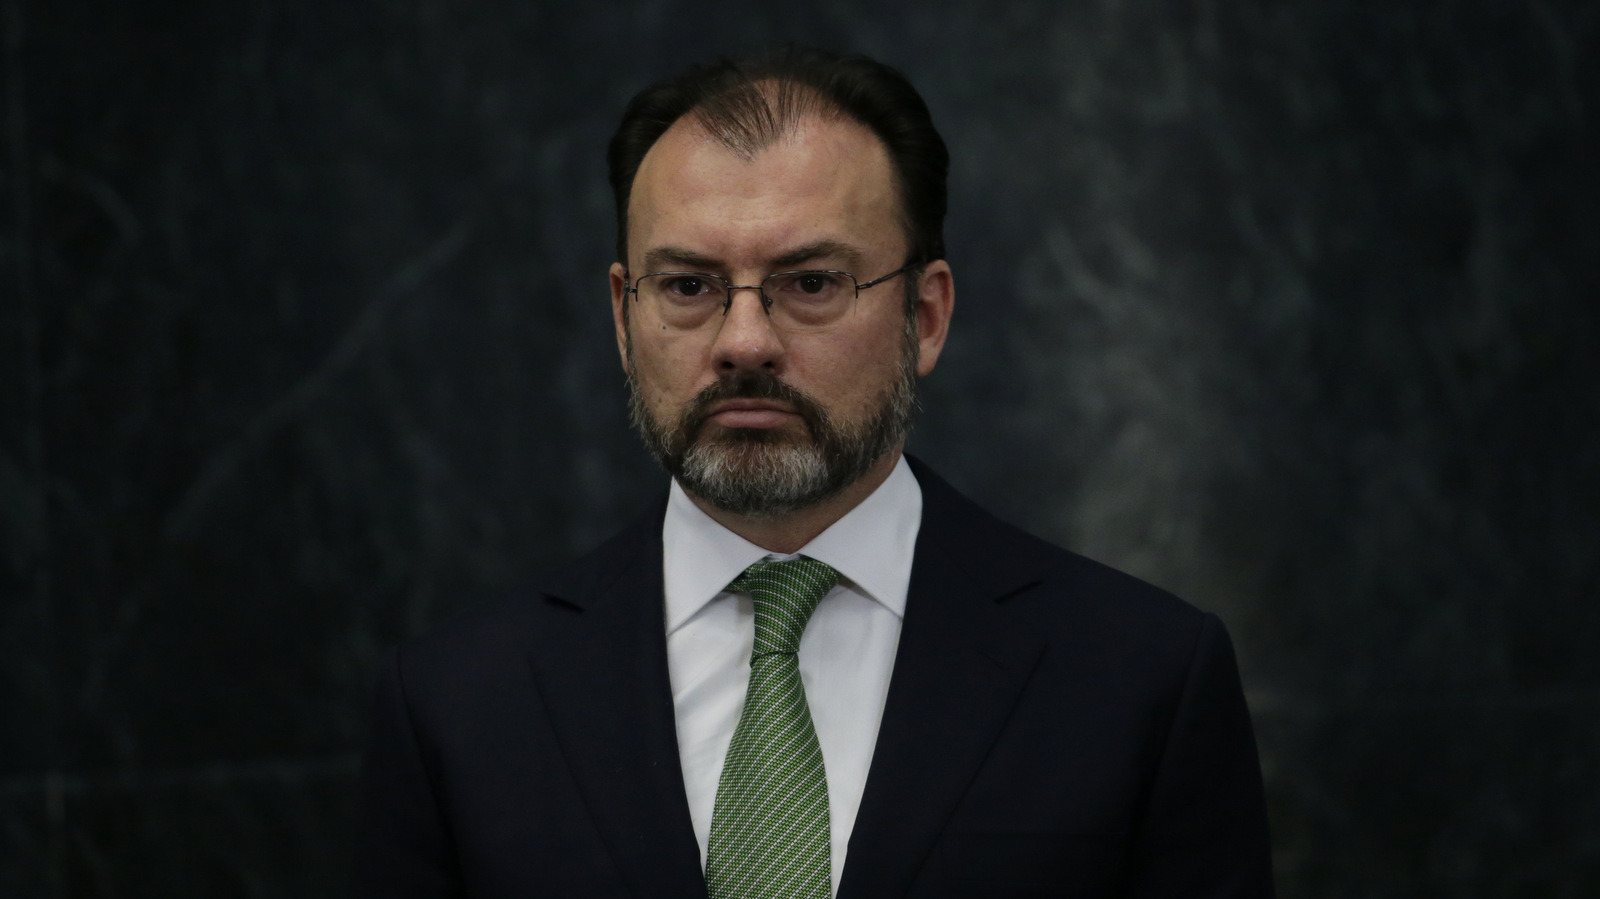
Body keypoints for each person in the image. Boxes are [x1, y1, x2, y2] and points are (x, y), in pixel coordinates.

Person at [353, 46, 1273, 899]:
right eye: (687, 286)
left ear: (927, 316)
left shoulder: (1139, 677)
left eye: (812, 282)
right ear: (623, 317)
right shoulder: (459, 702)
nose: (743, 341)